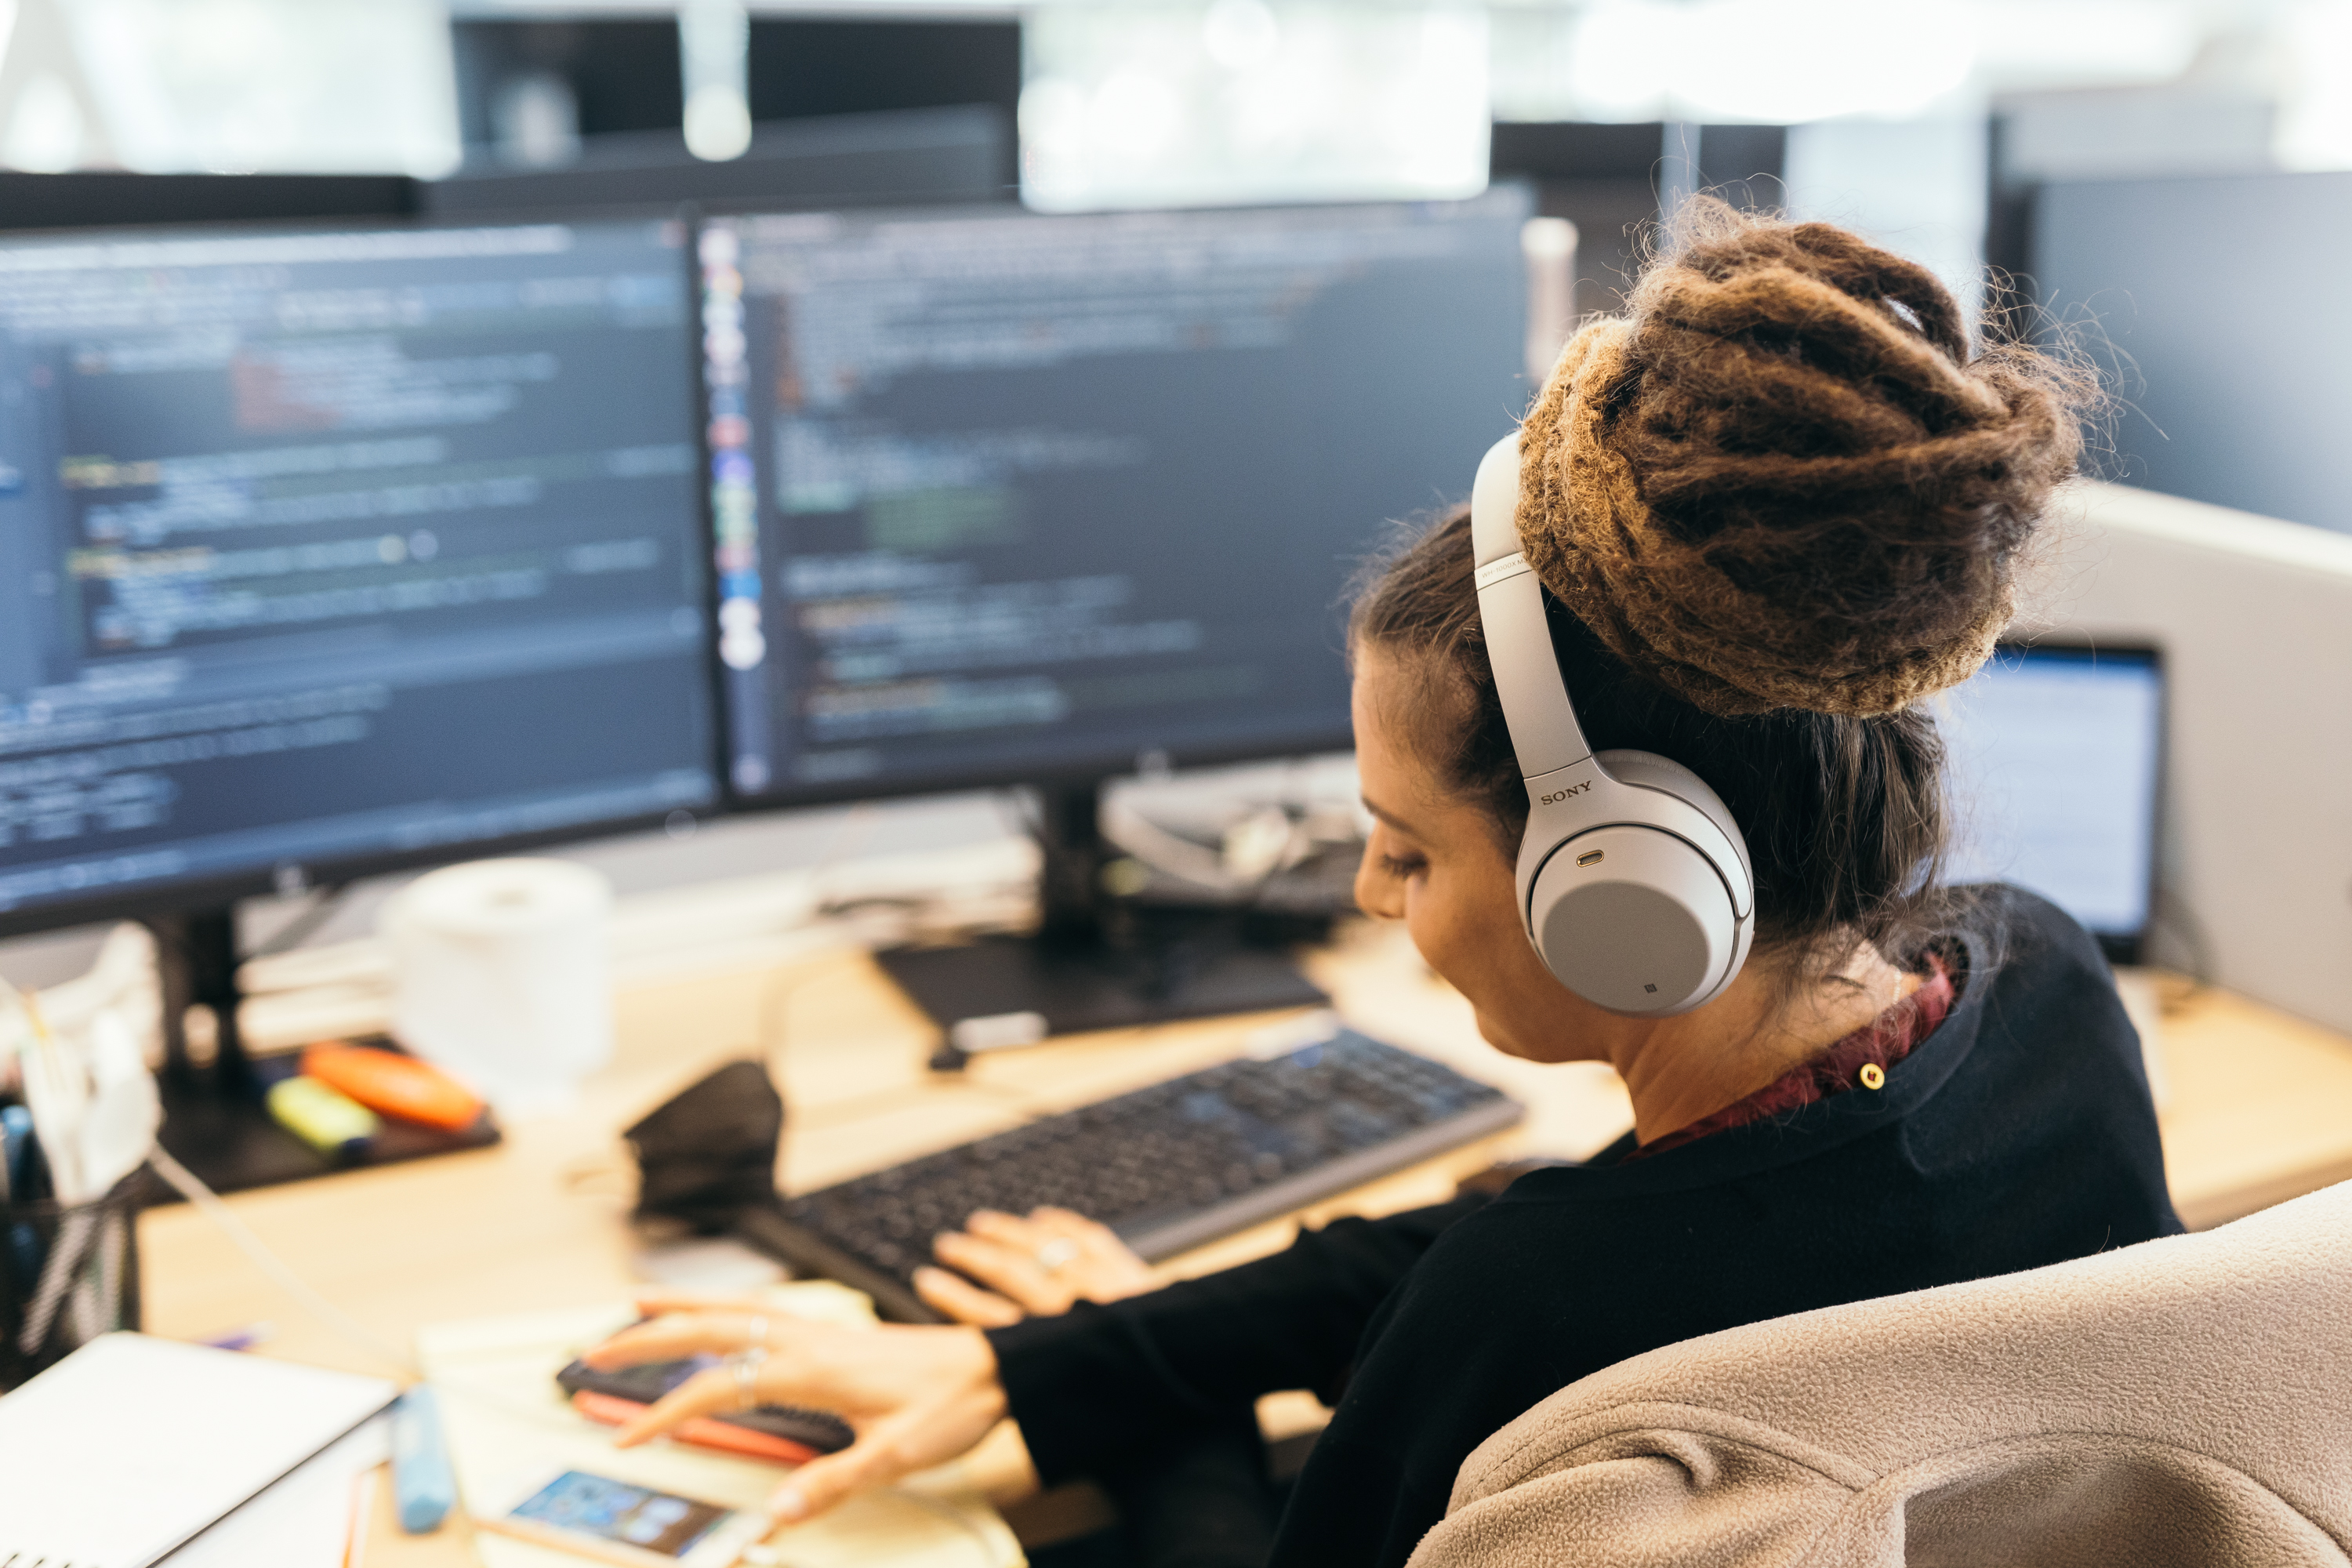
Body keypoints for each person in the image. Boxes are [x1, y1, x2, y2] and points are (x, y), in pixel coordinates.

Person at [583, 200, 2178, 1568]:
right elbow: (1579, 1239)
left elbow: (1488, 1308)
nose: (1363, 888)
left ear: (1615, 881)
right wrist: (1088, 1349)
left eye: (1409, 846)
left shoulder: (1536, 1310)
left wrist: (1170, 1418)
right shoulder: (2042, 994)